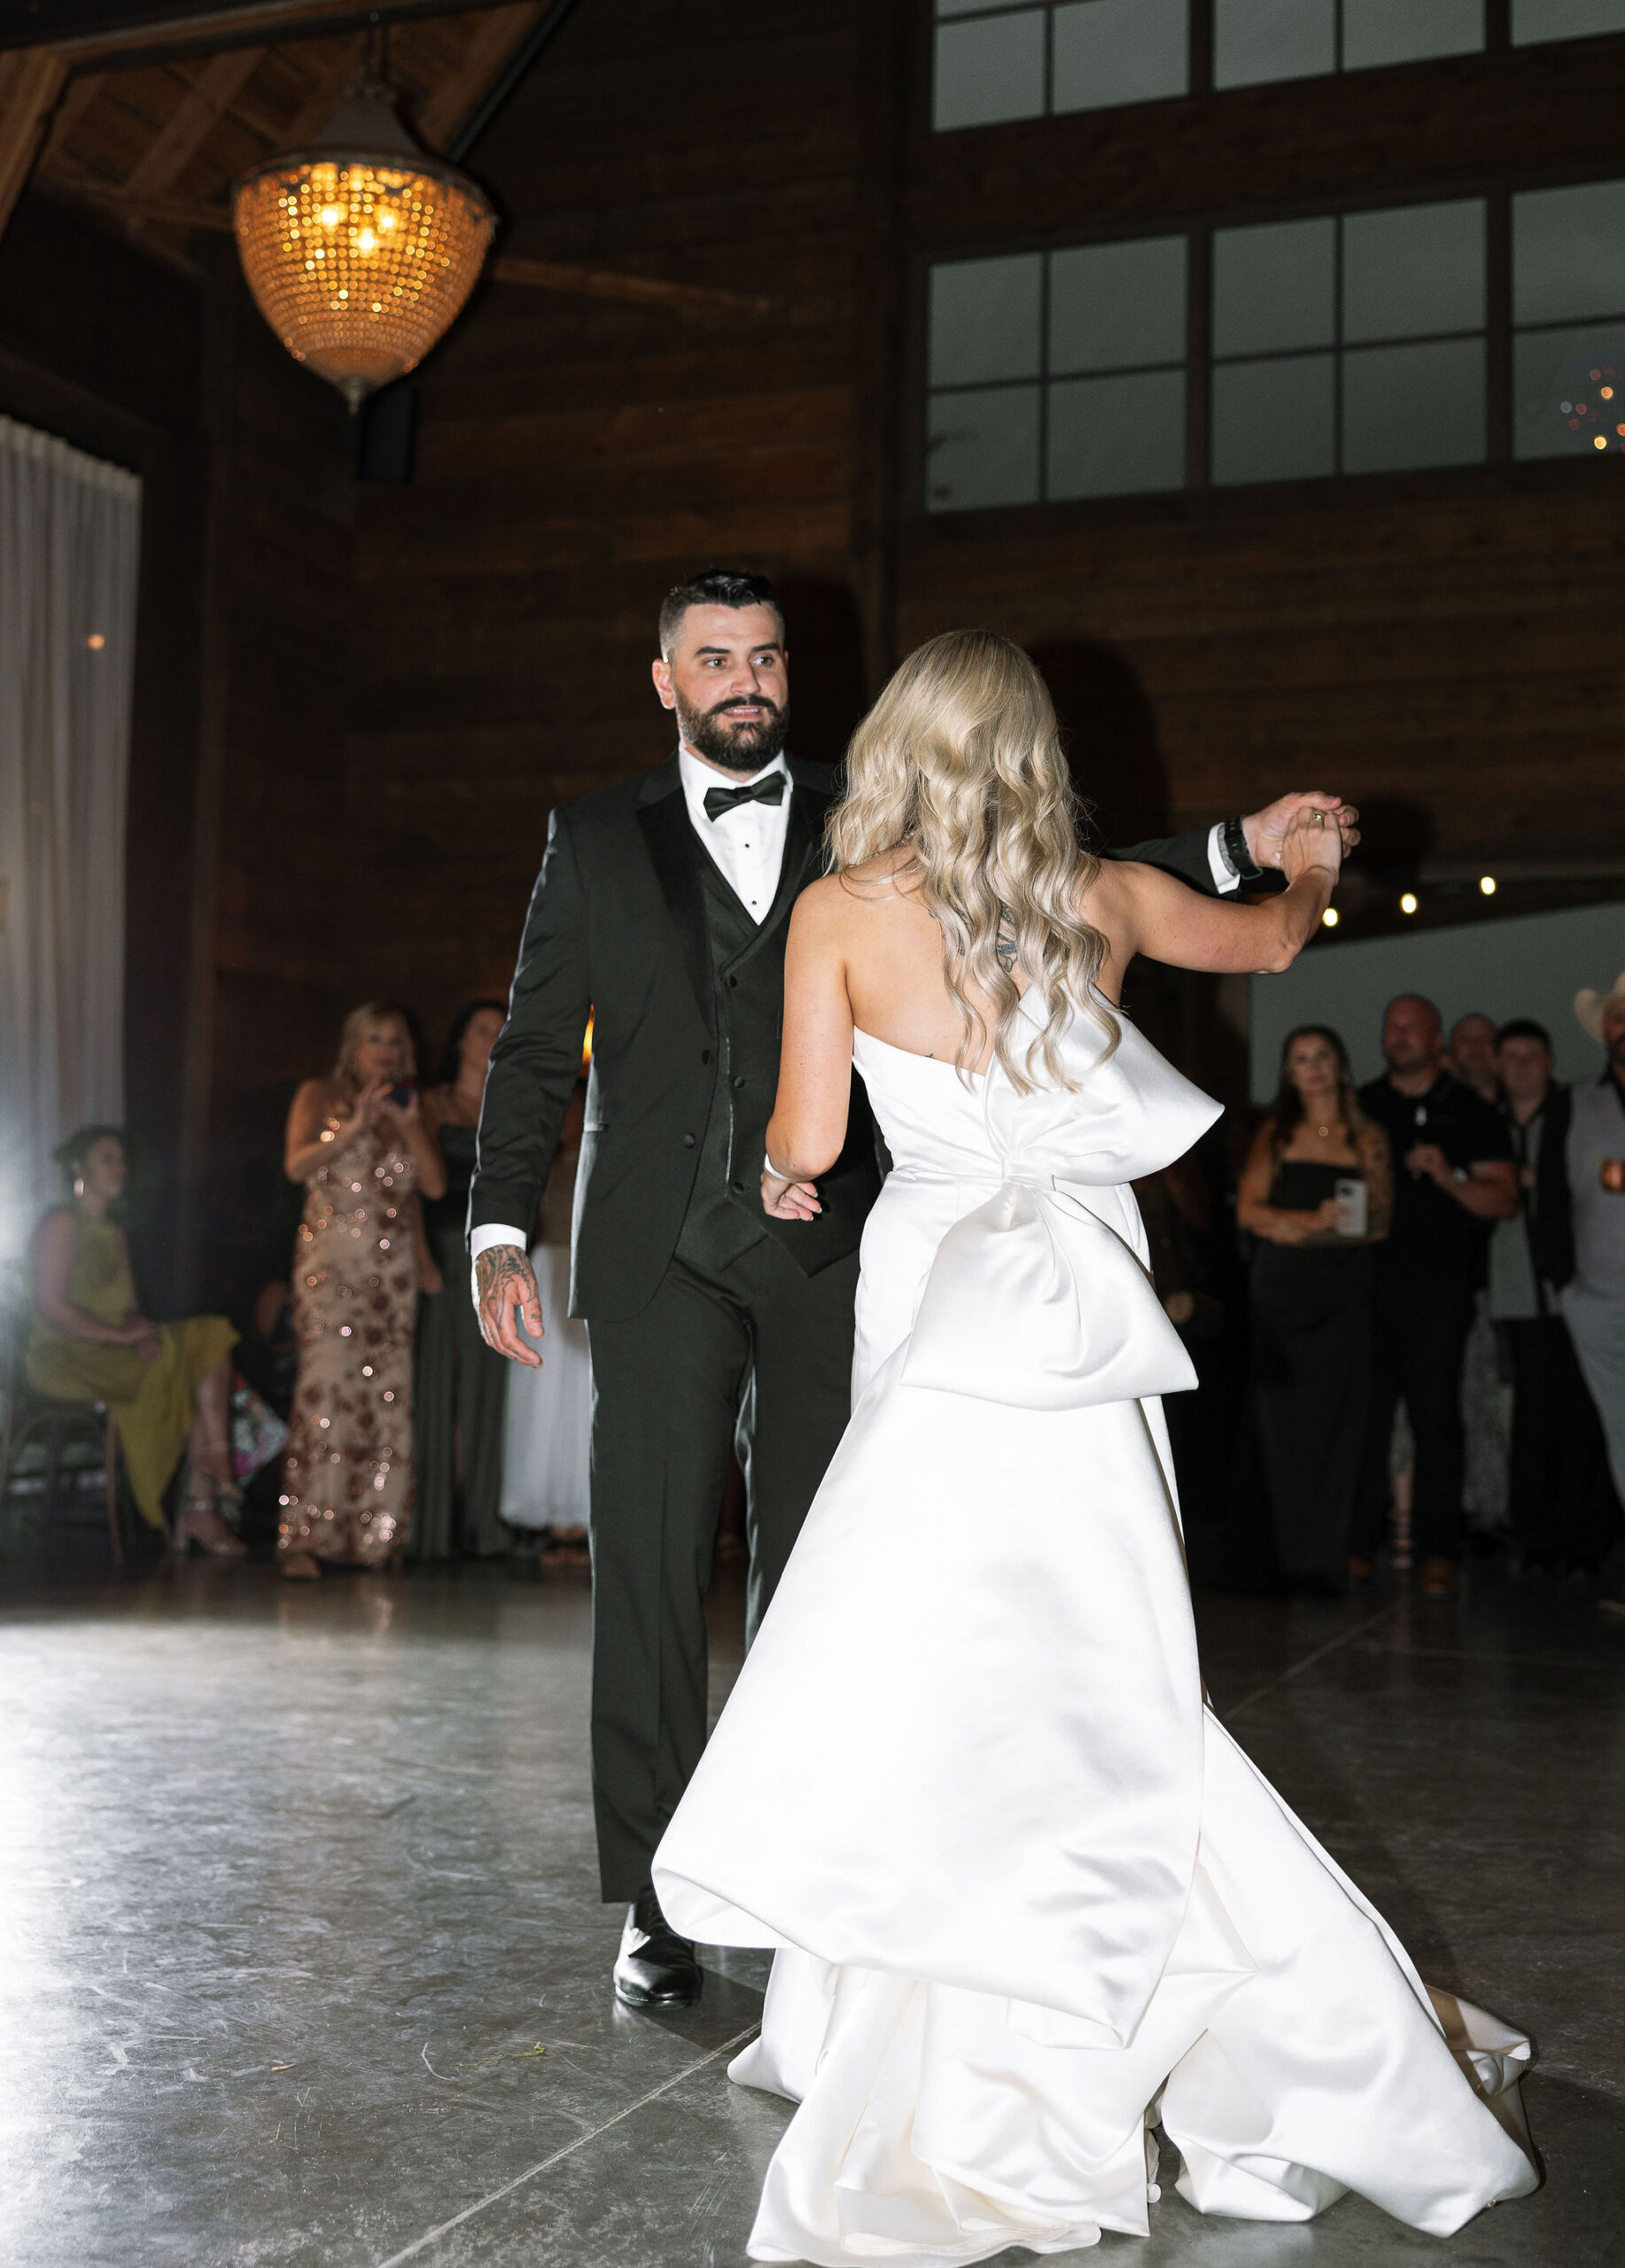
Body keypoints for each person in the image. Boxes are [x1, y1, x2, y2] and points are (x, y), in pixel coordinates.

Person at [651, 631, 1535, 2257]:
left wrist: (778, 1178)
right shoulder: (1104, 899)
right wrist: (1311, 864)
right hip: (1076, 1298)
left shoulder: (838, 917)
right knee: (1093, 1658)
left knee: (923, 1651)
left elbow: (808, 1137)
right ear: (1033, 756)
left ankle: (908, 2011)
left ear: (899, 750)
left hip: (933, 1300)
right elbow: (1270, 949)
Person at [469, 564, 1360, 2009]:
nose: (744, 679)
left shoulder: (860, 823)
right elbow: (525, 1050)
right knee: (644, 1571)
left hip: (838, 1250)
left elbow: (1040, 873)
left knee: (824, 1576)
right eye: (713, 659)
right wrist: (497, 1229)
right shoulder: (590, 838)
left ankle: (800, 1861)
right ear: (665, 680)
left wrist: (1223, 839)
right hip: (660, 1251)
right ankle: (654, 1891)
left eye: (763, 657)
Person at [1349, 997, 1517, 1596]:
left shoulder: (1469, 1110)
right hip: (1368, 1286)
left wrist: (1452, 1178)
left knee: (1437, 1421)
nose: (1399, 1036)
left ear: (1436, 1039)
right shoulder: (1362, 1105)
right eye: (1391, 1026)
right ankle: (1356, 1546)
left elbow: (1504, 1199)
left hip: (1441, 1292)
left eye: (1411, 1027)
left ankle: (1438, 1553)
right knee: (1364, 1419)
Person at [278, 1003, 446, 1579]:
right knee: (327, 1395)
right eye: (374, 1039)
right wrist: (351, 1128)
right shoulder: (319, 1095)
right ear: (353, 1047)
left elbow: (432, 1187)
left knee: (385, 1400)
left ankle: (375, 1535)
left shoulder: (407, 1107)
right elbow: (296, 1167)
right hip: (332, 1270)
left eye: (395, 1041)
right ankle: (306, 1535)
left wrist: (406, 1127)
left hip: (391, 1275)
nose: (386, 1050)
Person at [27, 1127, 241, 1555]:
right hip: (65, 1357)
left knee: (209, 1336)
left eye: (121, 1160)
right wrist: (120, 1335)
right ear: (78, 1167)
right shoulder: (61, 1222)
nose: (119, 1168)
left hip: (113, 1347)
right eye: (107, 1158)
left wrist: (138, 1331)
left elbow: (128, 1307)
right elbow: (52, 1308)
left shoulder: (116, 1233)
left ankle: (213, 1464)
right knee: (179, 1367)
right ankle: (202, 1501)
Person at [1237, 1026, 1391, 1594]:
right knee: (1283, 1424)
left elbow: (1378, 1223)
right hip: (1282, 1297)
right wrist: (1311, 1224)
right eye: (1300, 1059)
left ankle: (1327, 1560)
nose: (1314, 1068)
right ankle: (1280, 1559)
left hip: (1344, 1293)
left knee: (1340, 1422)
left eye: (1323, 1056)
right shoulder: (1276, 1134)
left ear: (1341, 1065)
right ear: (1289, 1074)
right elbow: (1251, 1214)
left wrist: (1309, 1231)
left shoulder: (1366, 1136)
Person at [1490, 1020, 1614, 1573]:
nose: (1520, 1065)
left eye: (1531, 1055)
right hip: (1516, 1294)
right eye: (1509, 1055)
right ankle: (1536, 1537)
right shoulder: (1484, 1122)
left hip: (1583, 1288)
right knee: (1532, 1417)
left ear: (1549, 1060)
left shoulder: (1574, 1110)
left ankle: (1587, 1537)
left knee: (1585, 1417)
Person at [413, 1000, 511, 1560]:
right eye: (480, 1029)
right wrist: (422, 1258)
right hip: (443, 1253)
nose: (490, 1038)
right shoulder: (431, 1104)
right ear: (459, 1040)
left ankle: (484, 1526)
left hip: (494, 1257)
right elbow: (409, 1190)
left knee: (487, 1390)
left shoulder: (512, 1105)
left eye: (500, 1030)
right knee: (435, 1387)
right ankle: (432, 1531)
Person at [500, 1084, 592, 1546]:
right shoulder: (543, 1162)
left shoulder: (604, 1155)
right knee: (542, 1398)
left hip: (583, 1273)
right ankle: (551, 1519)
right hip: (543, 1271)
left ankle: (581, 1517)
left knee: (578, 1394)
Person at [1565, 973, 1625, 1612]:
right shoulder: (1575, 1102)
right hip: (1599, 1298)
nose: (1623, 1026)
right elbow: (1550, 1200)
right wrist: (1565, 1286)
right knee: (1621, 1435)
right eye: (1616, 1017)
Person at [1448, 1010, 1500, 1104]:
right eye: (1465, 1039)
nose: (1476, 1045)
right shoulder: (1432, 1107)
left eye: (1486, 1038)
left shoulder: (1519, 1105)